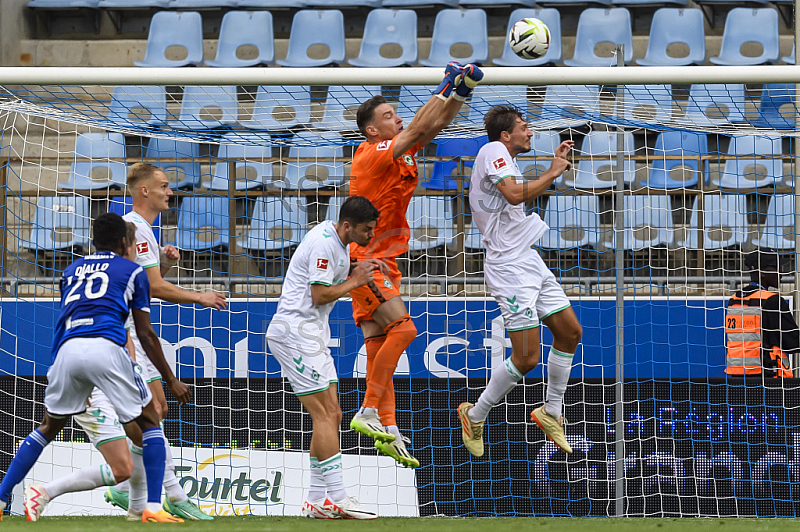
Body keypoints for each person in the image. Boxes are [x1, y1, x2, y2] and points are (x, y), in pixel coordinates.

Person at [0, 213, 191, 523]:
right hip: (106, 347)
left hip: (67, 352)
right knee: (150, 423)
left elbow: (63, 323)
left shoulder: (71, 270)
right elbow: (144, 333)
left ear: (93, 242)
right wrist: (170, 378)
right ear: (125, 243)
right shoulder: (132, 271)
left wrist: (74, 375)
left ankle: (1, 496)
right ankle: (153, 508)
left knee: (48, 428)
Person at [347, 62, 484, 468]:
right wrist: (445, 84)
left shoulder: (398, 154)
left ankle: (386, 425)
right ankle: (368, 411)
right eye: (389, 115)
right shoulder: (372, 154)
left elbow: (430, 129)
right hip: (366, 261)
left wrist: (459, 93)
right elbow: (418, 128)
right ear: (372, 129)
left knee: (376, 345)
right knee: (404, 329)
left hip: (386, 260)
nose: (398, 118)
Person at [458, 105, 581, 458]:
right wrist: (554, 171)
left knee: (570, 332)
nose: (531, 133)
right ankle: (475, 414)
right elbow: (514, 194)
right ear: (505, 134)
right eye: (525, 127)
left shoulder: (505, 158)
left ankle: (551, 411)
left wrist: (550, 171)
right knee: (526, 358)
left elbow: (514, 194)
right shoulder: (492, 150)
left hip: (527, 258)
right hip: (507, 267)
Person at [105, 162, 226, 520]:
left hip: (131, 332)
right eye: (164, 186)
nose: (170, 191)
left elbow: (145, 283)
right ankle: (170, 494)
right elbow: (153, 287)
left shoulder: (142, 229)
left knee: (157, 410)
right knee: (151, 414)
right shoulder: (137, 229)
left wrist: (165, 263)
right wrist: (198, 296)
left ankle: (129, 489)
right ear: (144, 191)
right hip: (125, 334)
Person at [266, 196, 383, 519]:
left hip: (312, 333)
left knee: (333, 415)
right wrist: (355, 281)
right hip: (295, 332)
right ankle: (340, 497)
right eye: (366, 230)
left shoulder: (338, 242)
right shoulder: (323, 243)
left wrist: (356, 270)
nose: (370, 235)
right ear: (348, 225)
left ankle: (317, 500)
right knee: (324, 414)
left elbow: (327, 281)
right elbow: (319, 295)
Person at [725, 249, 797, 378]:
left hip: (737, 375)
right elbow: (793, 343)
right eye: (776, 268)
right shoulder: (771, 301)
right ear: (763, 272)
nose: (780, 273)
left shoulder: (734, 299)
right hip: (767, 375)